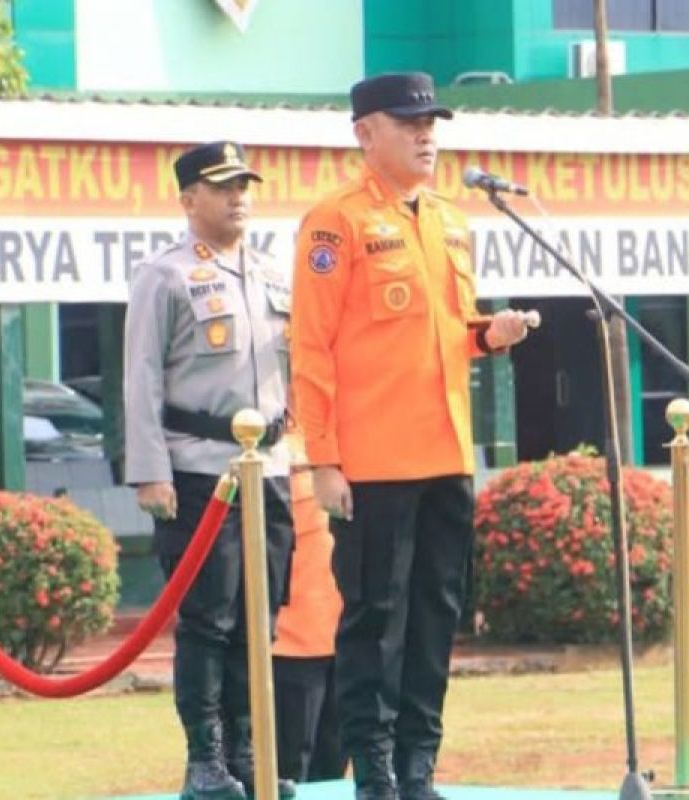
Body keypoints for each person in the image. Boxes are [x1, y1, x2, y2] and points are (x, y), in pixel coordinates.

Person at [290, 73, 530, 800]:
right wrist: (324, 459)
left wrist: (490, 336)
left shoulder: (451, 219)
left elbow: (444, 335)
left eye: (432, 123)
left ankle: (420, 766)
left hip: (448, 455)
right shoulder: (337, 222)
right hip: (373, 462)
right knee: (375, 620)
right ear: (366, 133)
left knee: (435, 617)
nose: (427, 135)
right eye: (409, 123)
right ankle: (377, 770)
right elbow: (313, 348)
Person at [124, 141, 295, 799]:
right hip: (199, 468)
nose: (238, 198)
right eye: (223, 187)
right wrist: (150, 471)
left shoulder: (273, 273)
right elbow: (139, 376)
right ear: (189, 198)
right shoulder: (163, 275)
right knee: (209, 617)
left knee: (263, 617)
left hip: (269, 467)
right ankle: (206, 759)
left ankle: (249, 754)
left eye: (245, 186)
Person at [272, 428, 346, 787]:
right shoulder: (267, 440)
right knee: (288, 772)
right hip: (288, 643)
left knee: (332, 774)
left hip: (346, 637)